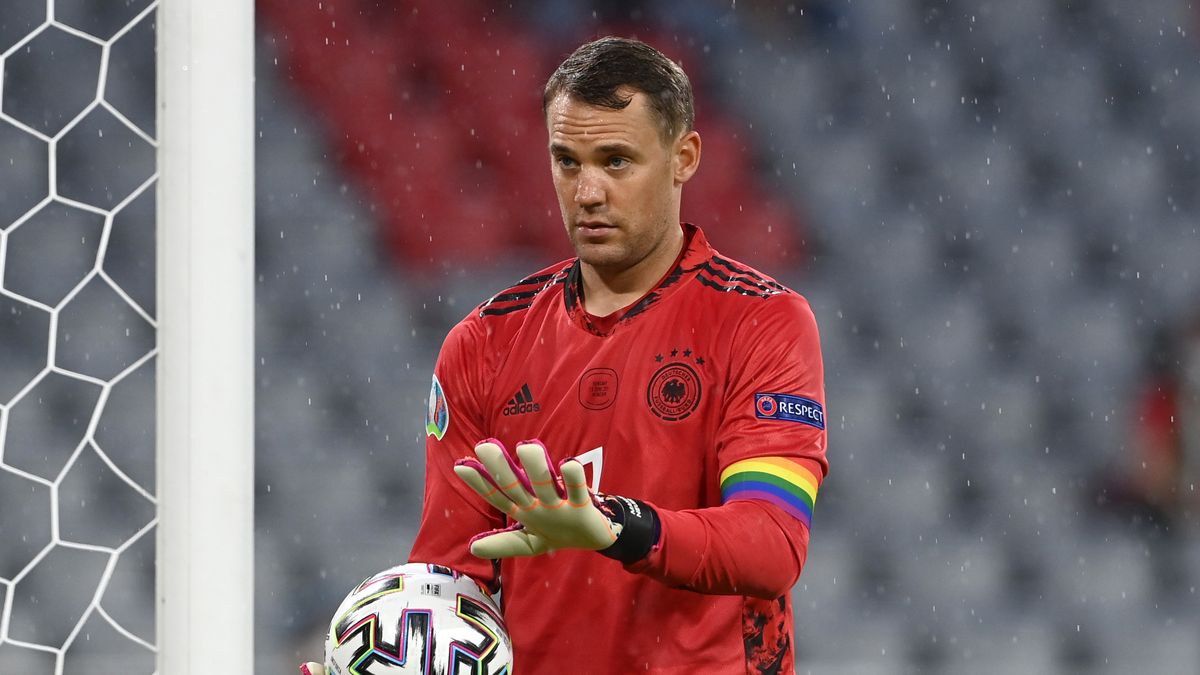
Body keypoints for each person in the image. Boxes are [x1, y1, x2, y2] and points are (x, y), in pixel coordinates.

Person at [304, 35, 828, 675]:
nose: (587, 192)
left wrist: (616, 526)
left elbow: (771, 545)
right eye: (567, 161)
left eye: (615, 160)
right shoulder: (485, 343)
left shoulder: (761, 320)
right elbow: (453, 579)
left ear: (684, 156)